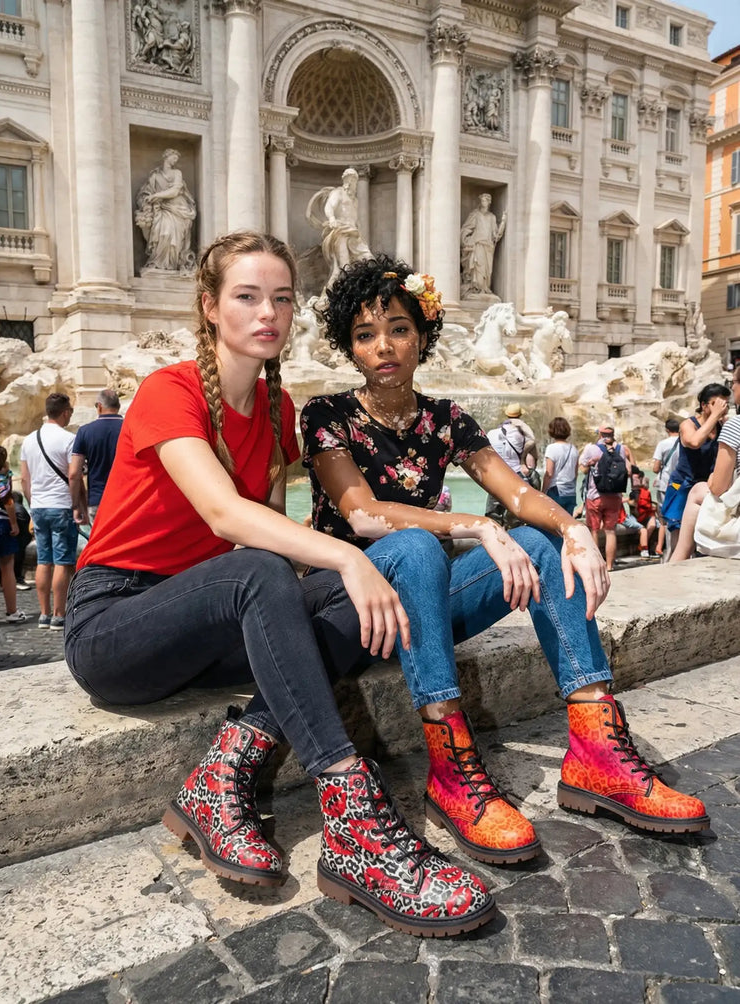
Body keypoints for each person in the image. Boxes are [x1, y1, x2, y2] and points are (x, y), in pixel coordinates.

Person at [63, 231, 495, 938]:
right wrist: (348, 556)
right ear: (210, 307)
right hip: (116, 625)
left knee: (357, 596)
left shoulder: (276, 414)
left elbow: (263, 539)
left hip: (208, 620)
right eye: (247, 296)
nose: (268, 311)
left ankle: (221, 778)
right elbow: (225, 516)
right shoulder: (166, 391)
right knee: (304, 570)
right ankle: (354, 818)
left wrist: (360, 572)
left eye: (283, 298)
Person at [301, 254, 709, 866]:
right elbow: (361, 514)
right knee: (412, 545)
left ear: (423, 335)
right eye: (365, 334)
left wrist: (573, 527)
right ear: (348, 346)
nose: (383, 346)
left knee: (540, 542)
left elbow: (517, 493)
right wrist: (476, 526)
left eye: (399, 329)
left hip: (422, 610)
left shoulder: (446, 419)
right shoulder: (326, 415)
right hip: (352, 610)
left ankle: (595, 749)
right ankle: (451, 771)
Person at [20, 393, 78, 630]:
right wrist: (76, 505)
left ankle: (43, 615)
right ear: (65, 412)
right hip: (61, 505)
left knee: (44, 560)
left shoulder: (29, 440)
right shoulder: (69, 439)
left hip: (39, 506)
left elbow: (24, 479)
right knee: (63, 562)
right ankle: (59, 614)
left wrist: (33, 505)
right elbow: (74, 475)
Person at [671, 369, 740, 562]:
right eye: (715, 403)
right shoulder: (688, 424)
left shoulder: (727, 425)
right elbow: (694, 442)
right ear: (704, 405)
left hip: (708, 487)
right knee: (677, 535)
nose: (722, 407)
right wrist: (715, 417)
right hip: (683, 486)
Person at [308, 168, 372, 291]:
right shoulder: (338, 193)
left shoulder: (355, 200)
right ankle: (332, 298)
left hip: (354, 234)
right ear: (346, 180)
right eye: (351, 179)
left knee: (369, 260)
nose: (354, 183)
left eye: (355, 180)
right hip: (341, 232)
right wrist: (332, 219)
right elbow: (329, 207)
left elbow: (355, 218)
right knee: (344, 268)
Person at [579, 425, 633, 572]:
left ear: (600, 435)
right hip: (615, 496)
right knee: (610, 531)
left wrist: (590, 464)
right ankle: (609, 566)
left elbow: (583, 469)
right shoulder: (621, 449)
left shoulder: (592, 449)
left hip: (595, 495)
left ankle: (597, 565)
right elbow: (627, 470)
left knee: (594, 530)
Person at [134, 148, 197, 273]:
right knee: (160, 232)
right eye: (173, 158)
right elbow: (146, 192)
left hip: (177, 208)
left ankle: (172, 265)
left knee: (171, 235)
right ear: (166, 157)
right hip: (160, 209)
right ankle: (157, 262)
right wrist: (147, 200)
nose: (175, 161)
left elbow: (175, 191)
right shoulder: (155, 175)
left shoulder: (177, 173)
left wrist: (156, 196)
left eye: (176, 159)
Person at [69, 388, 123, 527]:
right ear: (118, 406)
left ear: (99, 406)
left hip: (98, 500)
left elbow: (74, 473)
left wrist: (76, 506)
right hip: (127, 499)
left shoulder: (85, 431)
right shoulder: (130, 428)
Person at [485, 403, 538, 527]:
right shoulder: (521, 435)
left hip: (496, 477)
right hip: (515, 475)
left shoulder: (492, 433)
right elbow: (533, 445)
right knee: (514, 518)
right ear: (520, 416)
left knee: (493, 517)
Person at [0, 446, 25, 623]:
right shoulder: (1, 477)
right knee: (7, 568)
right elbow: (8, 502)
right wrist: (13, 523)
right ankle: (12, 612)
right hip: (0, 524)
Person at [460, 193, 507, 296]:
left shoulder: (492, 217)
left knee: (487, 271)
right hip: (478, 245)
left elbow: (495, 234)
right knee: (477, 268)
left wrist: (503, 223)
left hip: (488, 247)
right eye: (482, 200)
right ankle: (475, 288)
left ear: (489, 203)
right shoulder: (475, 214)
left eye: (485, 200)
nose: (483, 202)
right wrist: (465, 240)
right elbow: (466, 228)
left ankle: (484, 288)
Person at [651, 418, 681, 558]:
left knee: (667, 518)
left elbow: (656, 468)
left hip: (666, 485)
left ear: (667, 430)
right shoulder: (684, 442)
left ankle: (670, 551)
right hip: (680, 484)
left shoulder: (663, 444)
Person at [542, 417, 578, 515]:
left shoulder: (551, 448)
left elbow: (549, 473)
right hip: (570, 492)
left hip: (556, 491)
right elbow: (575, 473)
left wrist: (543, 491)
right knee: (567, 523)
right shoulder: (573, 449)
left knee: (553, 524)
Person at [628, 468, 658, 558]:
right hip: (639, 516)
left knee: (654, 525)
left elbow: (648, 504)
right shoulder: (635, 493)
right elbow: (635, 507)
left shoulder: (646, 492)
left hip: (646, 515)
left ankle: (646, 546)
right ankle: (644, 547)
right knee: (647, 527)